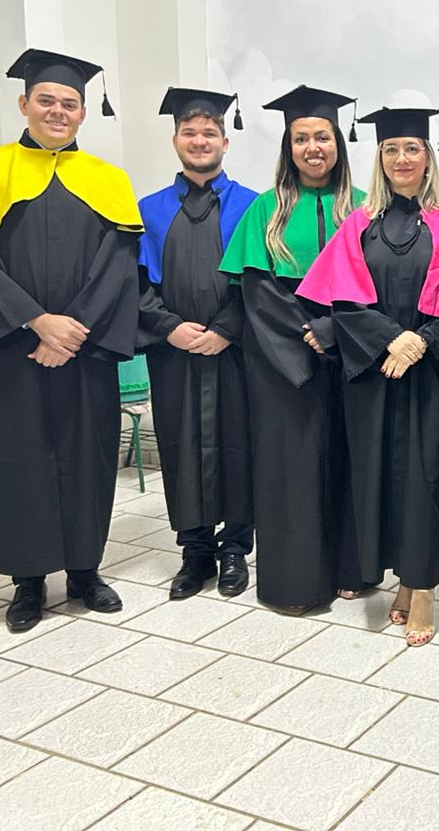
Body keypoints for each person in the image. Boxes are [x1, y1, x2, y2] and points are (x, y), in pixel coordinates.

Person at [0, 48, 141, 631]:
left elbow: (118, 265)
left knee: (86, 456)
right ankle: (27, 583)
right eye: (46, 100)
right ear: (24, 104)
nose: (57, 111)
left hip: (84, 350)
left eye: (69, 103)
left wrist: (71, 330)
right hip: (10, 349)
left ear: (83, 114)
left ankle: (85, 572)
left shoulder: (108, 180)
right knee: (17, 460)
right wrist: (35, 321)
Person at [297, 106, 439, 646]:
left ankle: (424, 588)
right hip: (375, 370)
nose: (402, 158)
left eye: (412, 148)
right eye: (391, 149)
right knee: (379, 477)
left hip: (430, 370)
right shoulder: (360, 222)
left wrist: (423, 340)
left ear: (428, 157)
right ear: (380, 158)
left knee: (425, 478)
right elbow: (341, 298)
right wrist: (390, 337)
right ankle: (401, 578)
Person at [218, 85, 365, 613]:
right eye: (301, 139)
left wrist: (338, 332)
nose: (312, 147)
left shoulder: (364, 207)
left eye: (322, 137)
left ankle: (352, 568)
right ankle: (294, 583)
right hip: (282, 362)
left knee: (350, 460)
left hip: (351, 354)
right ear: (289, 148)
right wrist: (308, 338)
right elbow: (257, 293)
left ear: (337, 144)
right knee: (291, 467)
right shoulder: (267, 210)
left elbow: (378, 287)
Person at [137, 88, 257, 600]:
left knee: (239, 442)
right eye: (190, 132)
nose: (200, 140)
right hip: (175, 352)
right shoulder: (149, 210)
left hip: (237, 351)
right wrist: (169, 327)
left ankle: (235, 548)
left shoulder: (253, 206)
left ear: (225, 143)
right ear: (175, 140)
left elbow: (260, 281)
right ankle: (195, 552)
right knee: (180, 444)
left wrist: (227, 329)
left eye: (209, 133)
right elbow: (135, 283)